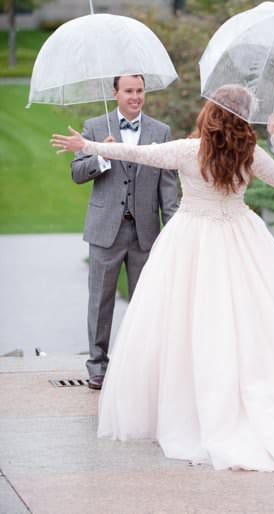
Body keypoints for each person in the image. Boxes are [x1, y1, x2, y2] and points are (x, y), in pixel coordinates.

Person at [52, 85, 274, 472]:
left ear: (210, 112)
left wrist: (87, 144)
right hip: (242, 236)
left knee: (185, 321)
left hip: (190, 238)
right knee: (248, 320)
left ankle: (191, 402)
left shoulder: (190, 150)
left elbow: (136, 153)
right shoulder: (249, 153)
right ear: (243, 118)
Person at [70, 74, 178, 390]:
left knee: (146, 302)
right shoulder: (93, 127)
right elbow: (76, 173)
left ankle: (141, 367)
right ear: (115, 93)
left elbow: (168, 187)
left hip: (145, 232)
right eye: (128, 91)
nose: (135, 97)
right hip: (105, 231)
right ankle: (97, 367)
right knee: (100, 302)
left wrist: (173, 232)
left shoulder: (161, 131)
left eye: (140, 91)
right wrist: (101, 154)